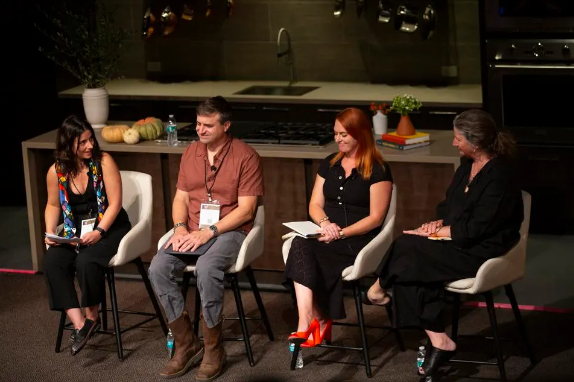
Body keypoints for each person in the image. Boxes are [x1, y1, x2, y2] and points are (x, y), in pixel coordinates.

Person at [364, 109, 523, 379]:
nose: (453, 143)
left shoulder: (500, 175)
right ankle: (440, 340)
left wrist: (441, 232)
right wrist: (435, 224)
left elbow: (478, 228)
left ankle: (377, 288)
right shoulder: (465, 167)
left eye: (457, 138)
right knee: (411, 262)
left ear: (474, 142)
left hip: (482, 250)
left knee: (407, 249)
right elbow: (449, 206)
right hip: (458, 240)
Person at [148, 96, 264, 380]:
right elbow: (181, 198)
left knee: (207, 268)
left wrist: (208, 231)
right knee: (158, 267)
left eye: (208, 125)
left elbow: (247, 209)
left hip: (229, 230)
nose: (200, 130)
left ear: (226, 125)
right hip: (192, 230)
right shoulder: (190, 153)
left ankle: (214, 348)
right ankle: (187, 343)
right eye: (198, 124)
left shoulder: (246, 156)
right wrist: (179, 227)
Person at [283, 107, 393, 349]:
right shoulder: (329, 163)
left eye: (343, 135)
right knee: (298, 244)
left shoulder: (377, 169)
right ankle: (307, 320)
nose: (337, 139)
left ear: (360, 134)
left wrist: (341, 233)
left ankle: (319, 319)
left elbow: (376, 218)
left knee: (303, 254)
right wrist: (325, 224)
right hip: (326, 233)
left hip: (359, 239)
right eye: (335, 134)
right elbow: (314, 204)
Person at [43, 115, 131, 356]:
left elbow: (115, 203)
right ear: (68, 144)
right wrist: (50, 232)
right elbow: (53, 205)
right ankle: (82, 324)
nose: (90, 145)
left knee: (86, 260)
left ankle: (93, 315)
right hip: (75, 229)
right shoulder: (57, 171)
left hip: (110, 226)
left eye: (90, 139)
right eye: (82, 142)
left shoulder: (104, 162)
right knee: (53, 261)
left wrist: (100, 231)